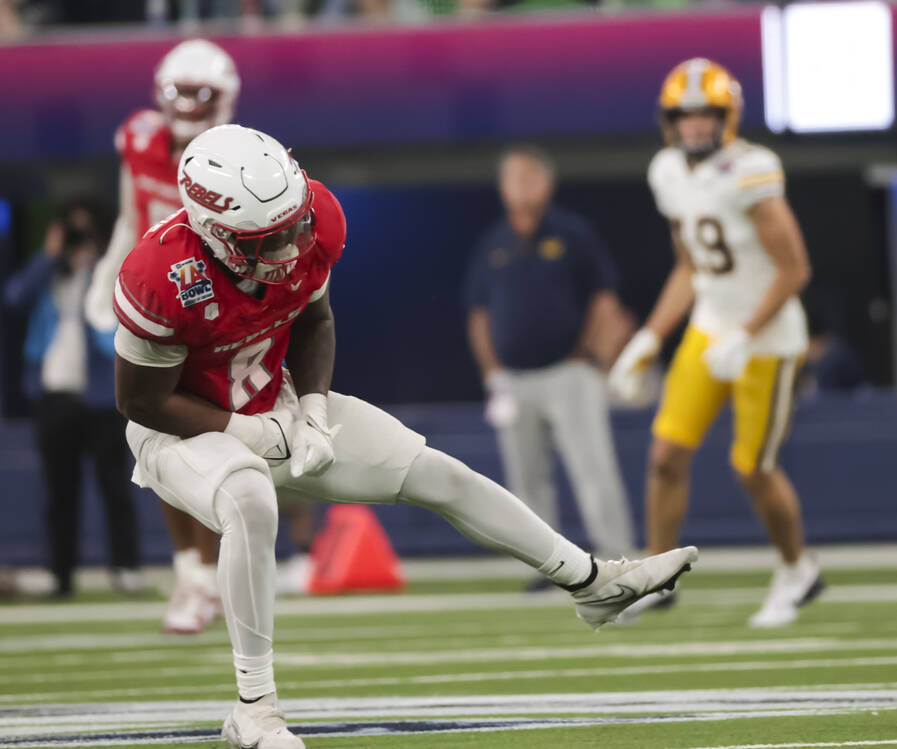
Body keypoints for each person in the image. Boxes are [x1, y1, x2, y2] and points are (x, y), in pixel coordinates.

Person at [112, 124, 698, 748]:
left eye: (295, 224)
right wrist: (245, 431)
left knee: (439, 474)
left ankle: (592, 583)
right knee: (251, 500)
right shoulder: (159, 275)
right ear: (214, 233)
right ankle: (255, 708)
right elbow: (141, 402)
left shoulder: (314, 219)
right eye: (270, 238)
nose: (292, 245)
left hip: (275, 406)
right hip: (180, 434)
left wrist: (309, 410)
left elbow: (315, 319)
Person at [85, 40, 315, 634]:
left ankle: (221, 566)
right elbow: (130, 219)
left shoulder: (242, 157)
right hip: (157, 297)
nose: (186, 103)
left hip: (220, 310)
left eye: (199, 92)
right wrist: (107, 273)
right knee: (160, 430)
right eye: (178, 91)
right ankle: (192, 571)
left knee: (232, 434)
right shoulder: (137, 140)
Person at [609, 58, 823, 629]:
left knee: (753, 468)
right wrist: (649, 337)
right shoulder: (668, 172)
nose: (695, 128)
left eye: (706, 116)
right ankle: (657, 576)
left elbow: (795, 268)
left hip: (768, 337)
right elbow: (690, 267)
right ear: (669, 120)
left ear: (728, 118)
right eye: (685, 117)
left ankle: (797, 569)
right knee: (665, 456)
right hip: (710, 325)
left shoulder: (751, 170)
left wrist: (747, 335)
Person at [465, 144, 636, 588]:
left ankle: (616, 560)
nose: (518, 186)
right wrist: (492, 373)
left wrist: (588, 354)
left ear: (546, 182)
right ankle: (546, 566)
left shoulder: (573, 233)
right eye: (510, 178)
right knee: (525, 480)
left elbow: (604, 297)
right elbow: (479, 314)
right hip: (513, 380)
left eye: (526, 177)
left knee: (593, 469)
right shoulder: (493, 243)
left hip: (569, 372)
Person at [4, 199, 142, 598]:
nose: (79, 240)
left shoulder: (109, 272)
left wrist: (96, 263)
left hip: (102, 397)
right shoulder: (49, 274)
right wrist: (51, 256)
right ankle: (60, 573)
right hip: (55, 396)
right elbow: (14, 296)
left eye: (85, 231)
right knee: (59, 491)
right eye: (72, 232)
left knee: (114, 486)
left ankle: (126, 567)